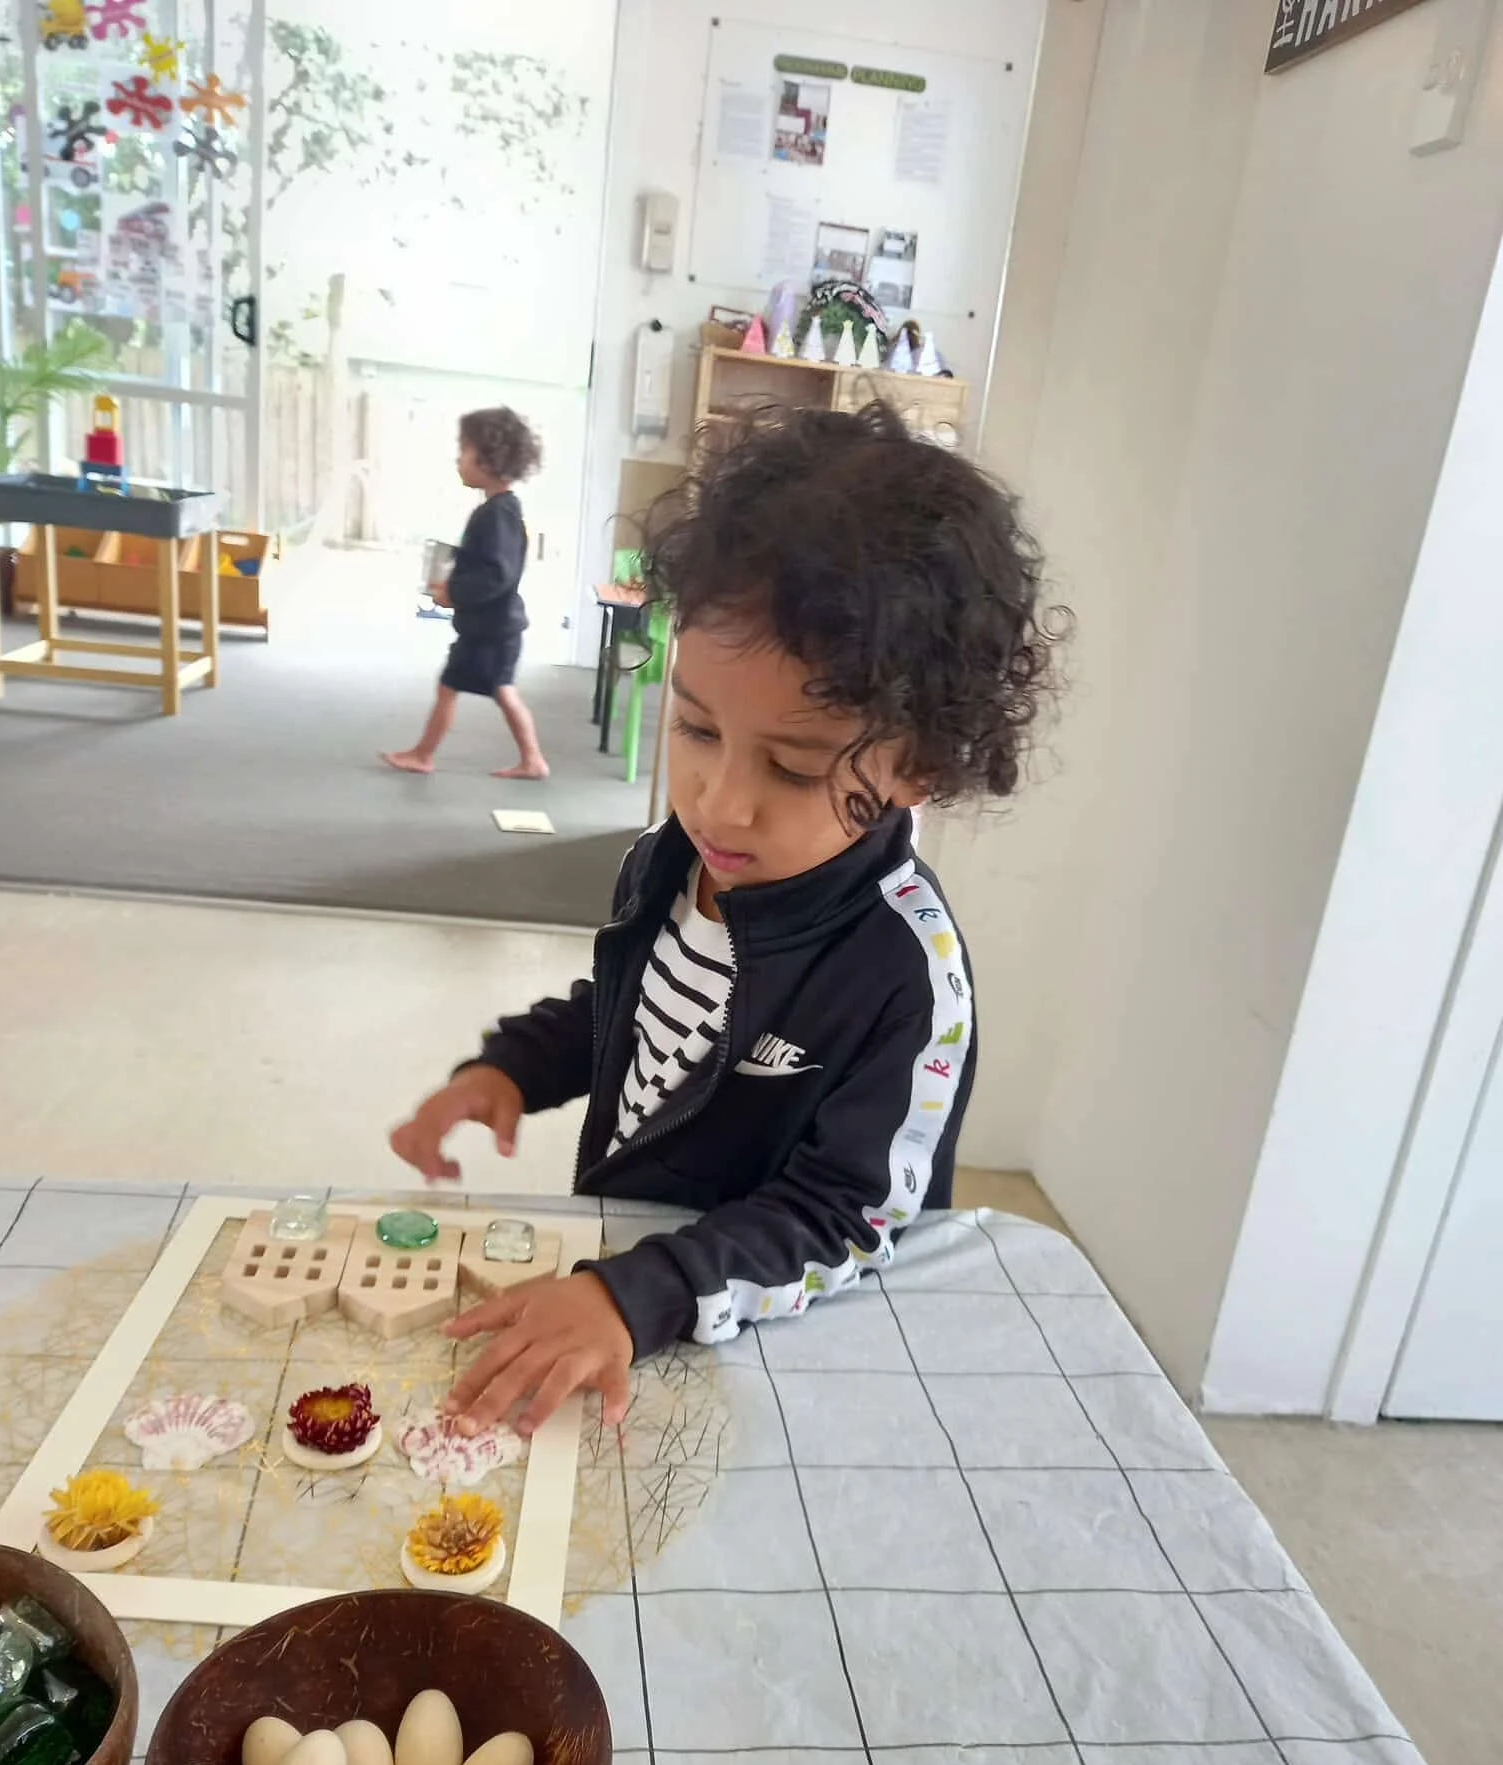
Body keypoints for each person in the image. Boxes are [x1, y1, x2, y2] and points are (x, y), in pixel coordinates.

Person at [390, 402, 1063, 1435]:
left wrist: (635, 1292)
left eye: (792, 766)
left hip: (783, 1335)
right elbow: (631, 1011)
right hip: (633, 1307)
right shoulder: (674, 859)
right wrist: (513, 1066)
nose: (719, 800)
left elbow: (849, 1215)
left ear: (916, 763)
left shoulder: (903, 974)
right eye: (697, 728)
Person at [382, 406, 549, 779]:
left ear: (488, 459)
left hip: (493, 630)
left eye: (464, 451)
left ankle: (527, 760)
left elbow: (497, 574)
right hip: (489, 627)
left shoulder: (497, 514)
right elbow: (486, 565)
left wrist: (454, 593)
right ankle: (429, 753)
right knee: (478, 688)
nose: (458, 460)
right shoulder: (497, 510)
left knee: (486, 690)